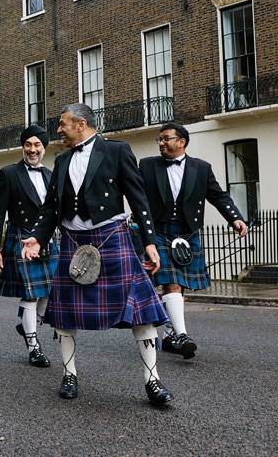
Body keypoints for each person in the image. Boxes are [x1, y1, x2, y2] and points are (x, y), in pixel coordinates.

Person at [21, 103, 173, 406]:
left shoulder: (116, 151)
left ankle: (152, 381)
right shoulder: (62, 160)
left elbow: (138, 198)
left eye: (62, 124)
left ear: (80, 124)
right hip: (73, 242)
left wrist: (150, 242)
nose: (58, 130)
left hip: (111, 238)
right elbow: (51, 206)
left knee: (140, 312)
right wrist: (37, 238)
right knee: (64, 314)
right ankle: (69, 374)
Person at [139, 122, 247, 358]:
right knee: (172, 282)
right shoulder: (147, 165)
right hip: (158, 230)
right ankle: (182, 335)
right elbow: (134, 193)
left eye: (166, 138)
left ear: (181, 142)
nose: (161, 142)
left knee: (180, 285)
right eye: (160, 139)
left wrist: (235, 218)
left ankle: (168, 334)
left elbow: (218, 195)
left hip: (187, 232)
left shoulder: (201, 168)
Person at [0, 124, 57, 368]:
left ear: (44, 148)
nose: (32, 149)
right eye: (28, 144)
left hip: (46, 241)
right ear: (23, 147)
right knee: (30, 294)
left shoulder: (51, 175)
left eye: (37, 145)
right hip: (21, 239)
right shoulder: (9, 173)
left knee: (48, 292)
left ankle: (26, 325)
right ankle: (33, 347)